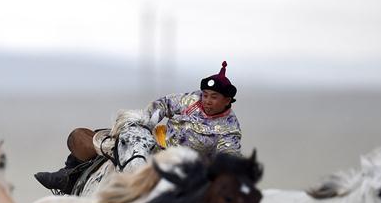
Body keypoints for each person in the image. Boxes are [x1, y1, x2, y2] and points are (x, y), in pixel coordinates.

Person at [35, 61, 242, 193]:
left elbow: (228, 159)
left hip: (185, 167)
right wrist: (144, 123)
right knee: (112, 138)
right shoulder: (191, 100)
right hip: (159, 144)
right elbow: (163, 105)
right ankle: (68, 176)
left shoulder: (229, 130)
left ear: (227, 100)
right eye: (205, 95)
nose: (207, 100)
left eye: (214, 97)